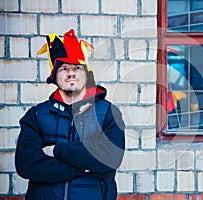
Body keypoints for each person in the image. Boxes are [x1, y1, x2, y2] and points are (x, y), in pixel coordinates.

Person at [15, 29, 125, 200]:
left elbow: (112, 156)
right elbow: (26, 164)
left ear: (86, 74)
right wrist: (82, 167)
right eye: (64, 68)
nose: (71, 73)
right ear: (54, 77)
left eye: (77, 68)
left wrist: (56, 150)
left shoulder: (107, 113)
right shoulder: (36, 115)